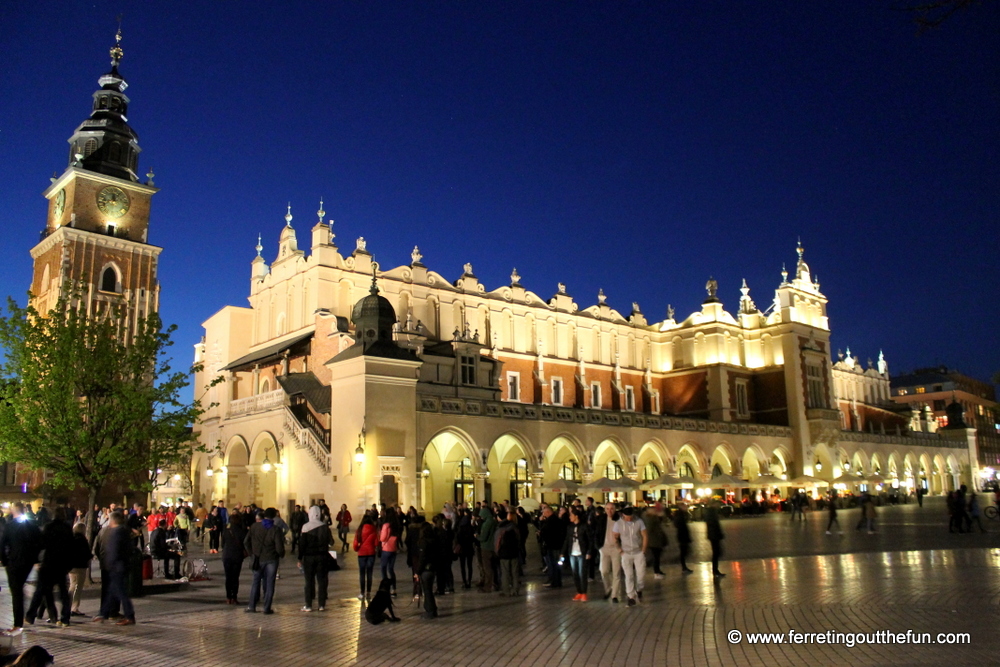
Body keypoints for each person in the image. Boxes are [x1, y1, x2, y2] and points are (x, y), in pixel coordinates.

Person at [25, 508, 74, 627]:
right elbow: (71, 547)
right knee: (63, 592)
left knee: (40, 590)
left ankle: (31, 616)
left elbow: (41, 543)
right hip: (61, 563)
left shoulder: (48, 527)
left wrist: (37, 560)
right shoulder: (67, 528)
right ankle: (65, 618)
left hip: (49, 562)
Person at [0, 502, 43, 635]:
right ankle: (21, 618)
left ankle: (18, 622)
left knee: (16, 591)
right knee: (19, 589)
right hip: (28, 562)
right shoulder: (32, 526)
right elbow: (40, 542)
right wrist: (34, 558)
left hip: (13, 562)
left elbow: (2, 544)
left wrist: (5, 560)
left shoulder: (9, 526)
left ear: (14, 512)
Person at [94, 511, 136, 625]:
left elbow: (100, 549)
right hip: (116, 566)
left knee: (116, 591)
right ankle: (105, 613)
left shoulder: (114, 532)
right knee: (113, 591)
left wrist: (106, 561)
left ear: (112, 520)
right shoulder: (123, 532)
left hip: (114, 566)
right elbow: (129, 550)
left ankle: (126, 615)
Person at [244, 508, 285, 614]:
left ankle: (252, 606)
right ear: (274, 516)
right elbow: (279, 547)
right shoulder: (276, 529)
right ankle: (267, 608)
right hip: (271, 559)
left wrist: (251, 553)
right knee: (270, 583)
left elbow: (246, 541)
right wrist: (281, 554)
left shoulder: (254, 526)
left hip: (257, 558)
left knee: (255, 582)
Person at [298, 505, 333, 612]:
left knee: (309, 581)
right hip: (322, 557)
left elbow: (302, 545)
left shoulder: (306, 527)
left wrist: (299, 558)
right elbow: (331, 542)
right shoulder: (325, 527)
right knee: (322, 581)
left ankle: (308, 605)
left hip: (309, 557)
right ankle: (321, 605)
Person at [613, 506, 647, 606]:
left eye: (631, 516)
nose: (629, 518)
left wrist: (643, 550)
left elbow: (645, 535)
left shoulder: (639, 521)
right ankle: (631, 596)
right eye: (627, 517)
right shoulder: (618, 523)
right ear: (623, 515)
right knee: (629, 575)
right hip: (626, 552)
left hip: (638, 552)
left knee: (641, 574)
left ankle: (639, 589)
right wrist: (620, 550)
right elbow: (615, 537)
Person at [593, 502, 622, 601]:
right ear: (605, 509)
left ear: (615, 509)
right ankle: (608, 588)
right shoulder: (601, 519)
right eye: (608, 509)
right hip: (604, 548)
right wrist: (598, 547)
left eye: (612, 509)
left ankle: (615, 595)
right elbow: (596, 533)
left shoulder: (619, 520)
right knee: (604, 571)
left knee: (616, 572)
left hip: (616, 548)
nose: (610, 511)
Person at [563, 508, 591, 601]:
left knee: (582, 573)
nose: (570, 517)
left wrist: (589, 551)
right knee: (575, 573)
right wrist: (562, 552)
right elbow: (567, 540)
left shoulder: (584, 526)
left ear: (576, 516)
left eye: (571, 515)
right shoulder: (569, 527)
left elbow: (589, 540)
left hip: (581, 553)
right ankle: (579, 591)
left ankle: (584, 592)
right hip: (572, 553)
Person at [416, 517, 440, 619]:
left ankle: (430, 611)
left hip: (426, 569)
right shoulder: (434, 540)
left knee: (427, 591)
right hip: (433, 567)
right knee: (429, 590)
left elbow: (422, 558)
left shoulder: (423, 542)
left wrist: (417, 571)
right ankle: (432, 609)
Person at [221, 512, 247, 605]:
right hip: (237, 556)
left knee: (228, 577)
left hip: (227, 555)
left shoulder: (226, 530)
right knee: (235, 577)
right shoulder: (241, 531)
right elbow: (244, 543)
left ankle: (228, 597)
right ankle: (234, 597)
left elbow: (223, 544)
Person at [68, 522, 92, 617]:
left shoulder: (71, 538)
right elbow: (86, 553)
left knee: (73, 585)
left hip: (71, 566)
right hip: (80, 566)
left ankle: (69, 606)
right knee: (77, 587)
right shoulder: (82, 540)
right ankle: (74, 608)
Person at [538, 505, 565, 589]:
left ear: (548, 512)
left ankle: (554, 581)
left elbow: (546, 532)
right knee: (555, 564)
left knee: (552, 564)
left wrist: (541, 532)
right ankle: (556, 581)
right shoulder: (556, 520)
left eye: (544, 512)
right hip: (556, 545)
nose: (543, 514)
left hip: (552, 545)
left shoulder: (551, 521)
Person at [353, 512, 378, 602]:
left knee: (362, 573)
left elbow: (355, 543)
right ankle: (368, 592)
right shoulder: (373, 529)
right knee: (370, 573)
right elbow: (376, 543)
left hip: (362, 554)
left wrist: (357, 549)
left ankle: (362, 592)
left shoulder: (359, 530)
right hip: (371, 553)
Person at [494, 511, 520, 596]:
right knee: (514, 572)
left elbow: (497, 542)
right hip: (514, 552)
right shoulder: (514, 527)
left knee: (505, 573)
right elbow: (519, 539)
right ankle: (515, 590)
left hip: (504, 553)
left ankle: (506, 591)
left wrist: (497, 552)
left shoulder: (501, 528)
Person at [379, 507, 401, 597]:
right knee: (391, 569)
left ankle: (385, 587)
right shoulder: (396, 524)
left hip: (386, 548)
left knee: (383, 568)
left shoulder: (386, 525)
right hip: (393, 548)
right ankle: (394, 589)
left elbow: (382, 538)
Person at [476, 507, 498, 592]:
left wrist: (477, 536)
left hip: (486, 548)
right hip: (494, 547)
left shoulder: (486, 524)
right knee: (494, 567)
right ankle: (495, 584)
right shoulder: (493, 521)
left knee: (487, 568)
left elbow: (483, 537)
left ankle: (488, 586)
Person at [644, 503, 668, 579]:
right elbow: (649, 530)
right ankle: (656, 572)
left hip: (656, 540)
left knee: (657, 556)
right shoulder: (650, 518)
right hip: (654, 541)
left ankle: (658, 571)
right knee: (656, 557)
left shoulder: (652, 517)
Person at [455, 508, 476, 589]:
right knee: (469, 565)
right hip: (469, 549)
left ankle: (464, 581)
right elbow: (473, 539)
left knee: (462, 566)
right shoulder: (471, 528)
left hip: (462, 549)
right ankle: (469, 581)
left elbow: (458, 539)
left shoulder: (461, 529)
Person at [704, 500, 726, 578]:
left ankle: (716, 570)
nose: (719, 505)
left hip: (714, 535)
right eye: (718, 504)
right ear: (714, 504)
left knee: (717, 553)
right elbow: (714, 524)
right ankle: (715, 571)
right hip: (714, 535)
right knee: (716, 553)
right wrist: (718, 534)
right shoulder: (711, 512)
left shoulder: (711, 512)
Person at [672, 504, 694, 574]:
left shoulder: (681, 514)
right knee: (684, 552)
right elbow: (680, 525)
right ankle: (682, 565)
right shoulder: (680, 515)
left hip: (682, 535)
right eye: (685, 506)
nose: (686, 507)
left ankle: (683, 566)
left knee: (684, 552)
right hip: (682, 535)